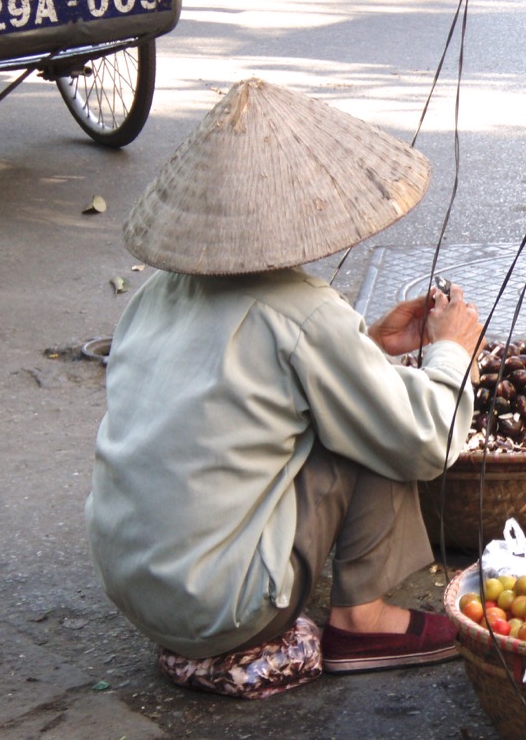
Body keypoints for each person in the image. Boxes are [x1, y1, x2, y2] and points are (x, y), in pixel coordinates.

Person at [84, 79, 483, 682]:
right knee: (375, 429)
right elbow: (426, 438)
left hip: (136, 588)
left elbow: (241, 392)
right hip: (225, 609)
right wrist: (453, 352)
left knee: (352, 398)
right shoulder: (300, 311)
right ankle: (363, 620)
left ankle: (320, 602)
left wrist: (369, 347)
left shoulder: (153, 295)